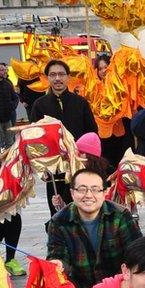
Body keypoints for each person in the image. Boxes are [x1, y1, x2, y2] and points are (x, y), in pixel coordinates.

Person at [47, 168, 142, 288]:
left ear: (104, 193)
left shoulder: (120, 215)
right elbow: (57, 254)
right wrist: (57, 263)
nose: (88, 195)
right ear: (72, 193)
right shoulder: (58, 221)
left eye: (95, 189)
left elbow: (137, 253)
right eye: (82, 189)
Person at [30, 59, 98, 214]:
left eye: (61, 74)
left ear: (68, 77)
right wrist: (40, 167)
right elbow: (34, 138)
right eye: (53, 75)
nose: (57, 78)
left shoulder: (80, 103)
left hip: (79, 166)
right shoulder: (40, 105)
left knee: (83, 209)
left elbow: (92, 132)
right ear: (47, 78)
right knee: (58, 213)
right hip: (54, 170)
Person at [0, 62, 18, 160]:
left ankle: (10, 160)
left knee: (10, 141)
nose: (5, 72)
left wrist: (12, 107)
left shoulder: (7, 84)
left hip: (7, 118)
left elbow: (15, 98)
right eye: (2, 70)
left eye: (5, 70)